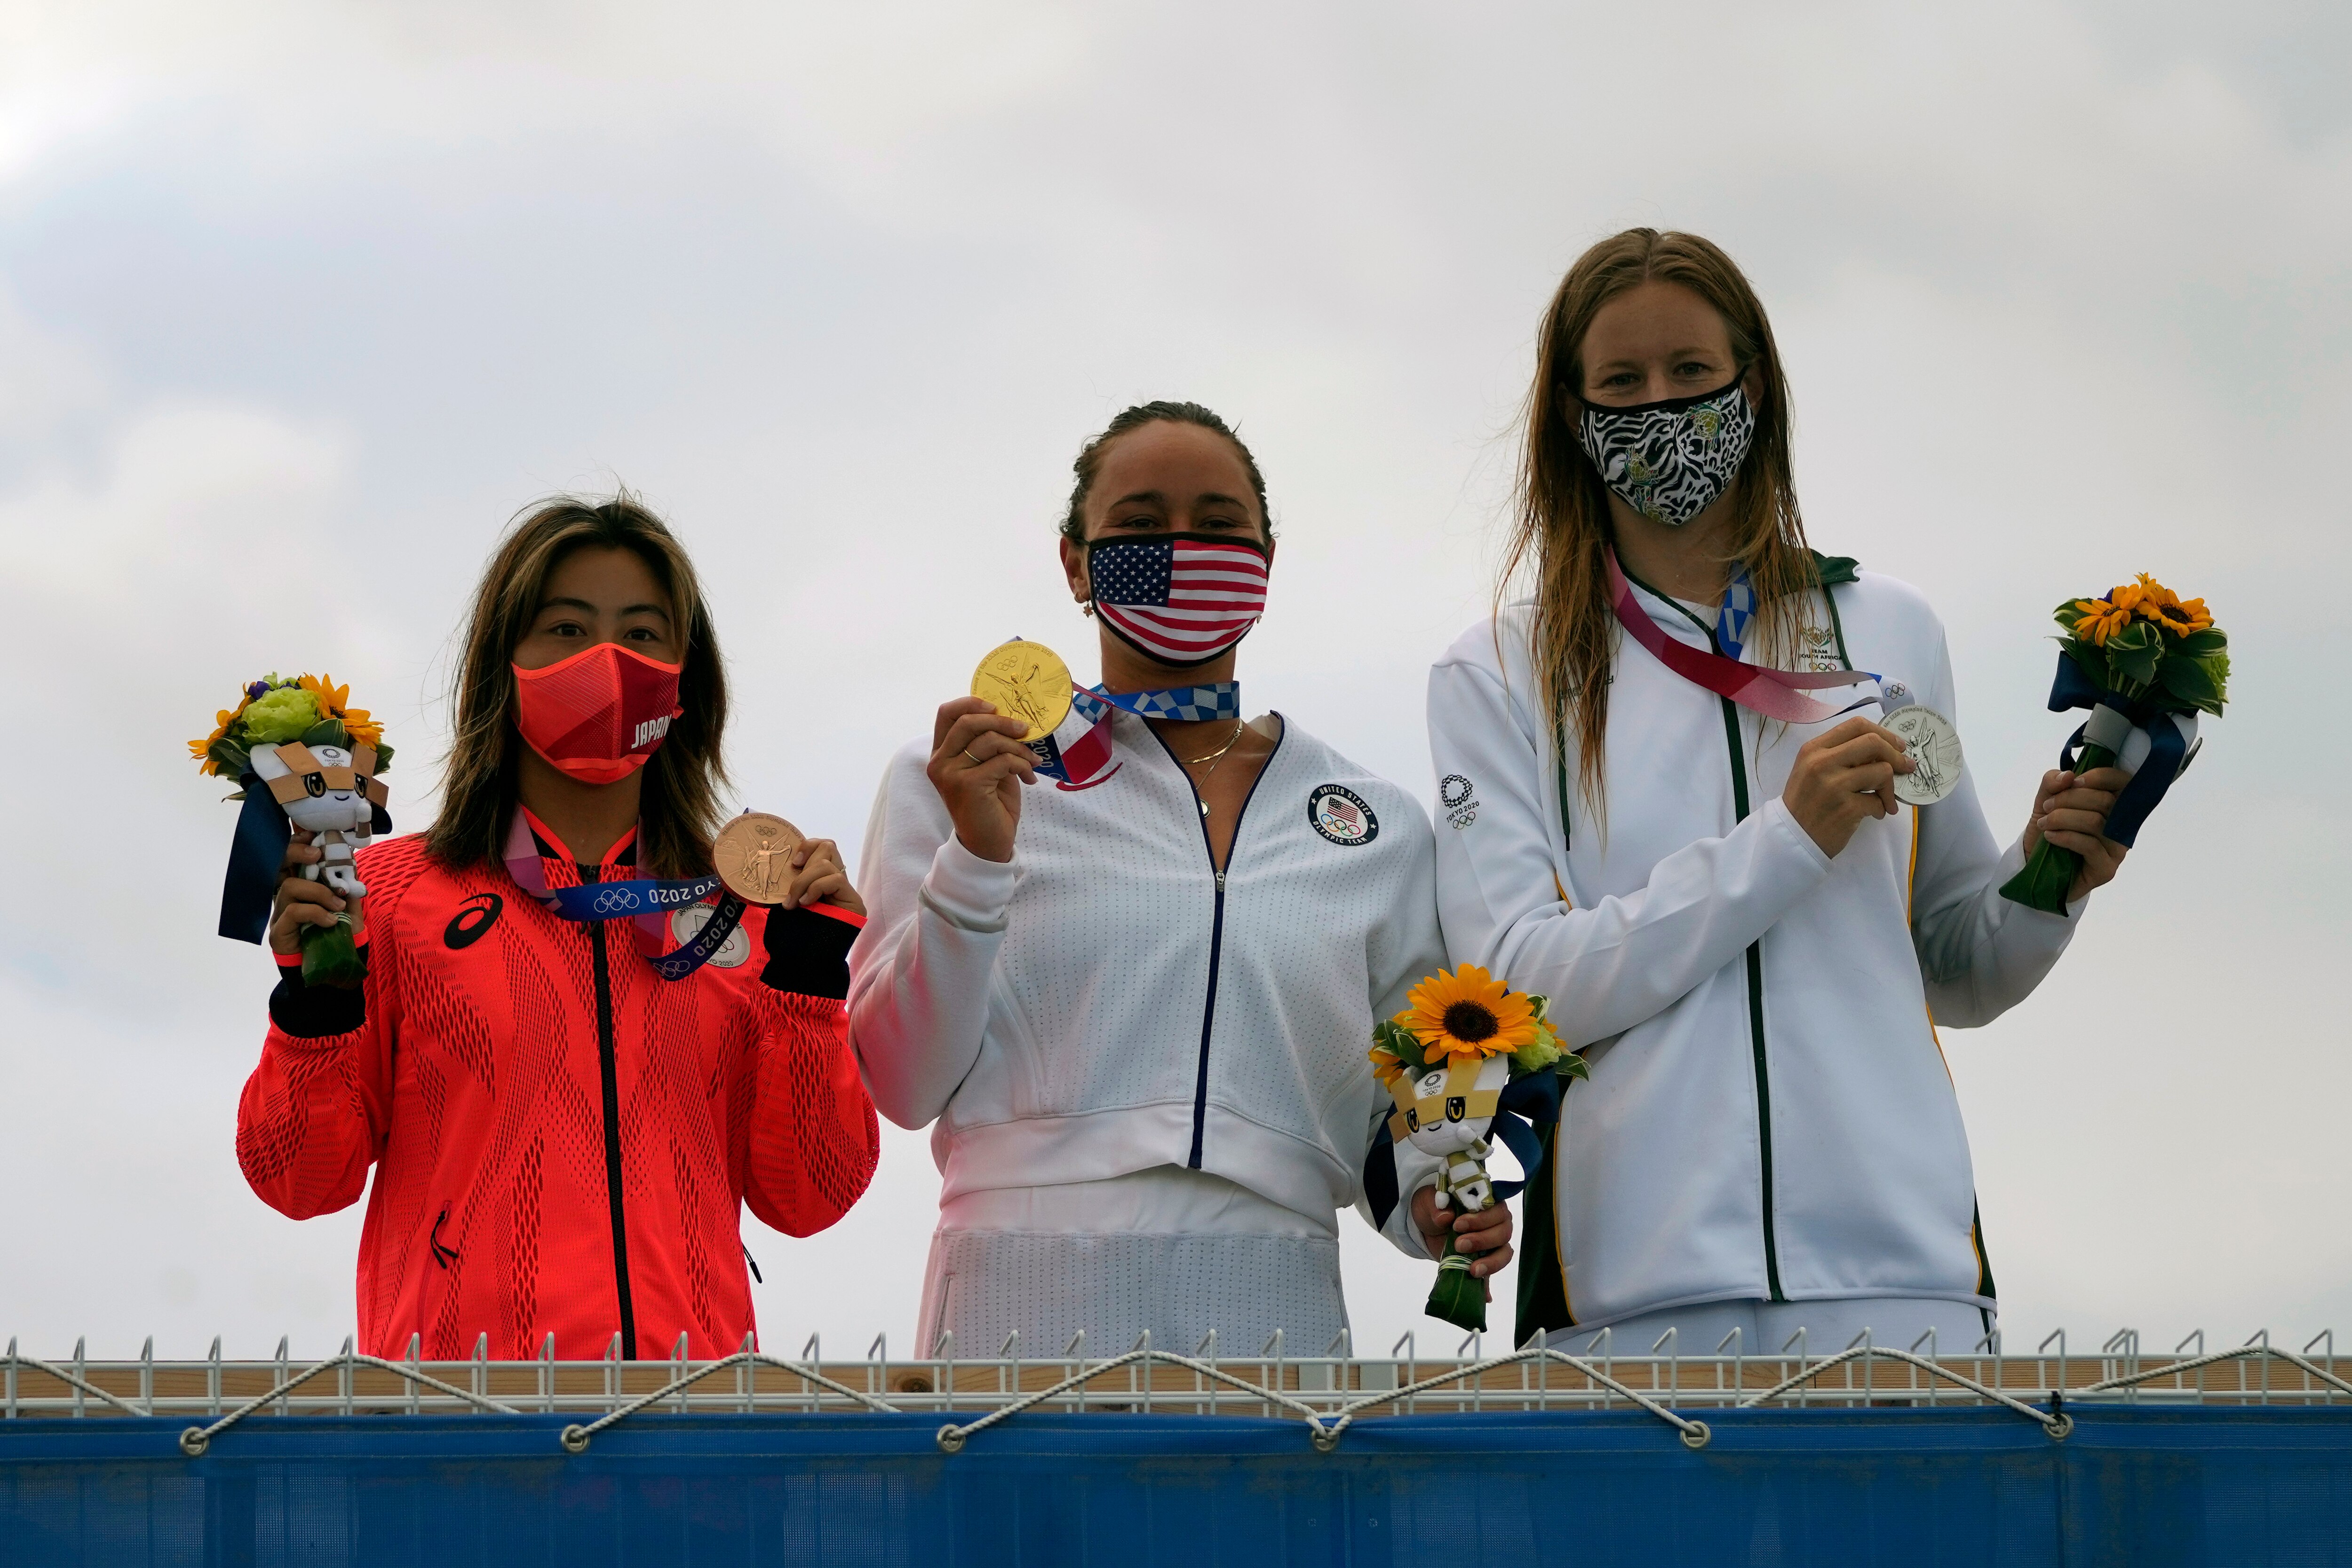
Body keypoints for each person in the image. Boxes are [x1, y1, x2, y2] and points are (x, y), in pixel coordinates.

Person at [1429, 230, 2134, 1355]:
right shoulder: (1500, 671)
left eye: (1691, 375)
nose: (1659, 407)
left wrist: (2049, 879)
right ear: (1570, 414)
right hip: (1633, 1293)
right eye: (1621, 383)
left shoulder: (1890, 628)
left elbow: (1954, 965)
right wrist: (1784, 841)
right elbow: (1519, 984)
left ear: (1751, 386)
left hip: (1905, 1284)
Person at [849, 402, 1502, 1357]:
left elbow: (1396, 1114)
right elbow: (901, 1081)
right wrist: (978, 859)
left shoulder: (1376, 822)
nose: (1183, 549)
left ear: (1268, 561)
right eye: (1143, 526)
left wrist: (1436, 1206)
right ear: (1075, 561)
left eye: (1219, 527)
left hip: (1272, 1302)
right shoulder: (961, 776)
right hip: (1016, 1296)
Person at [238, 496, 879, 1359]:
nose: (607, 661)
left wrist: (806, 983)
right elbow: (299, 1179)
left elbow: (812, 1193)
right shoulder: (387, 896)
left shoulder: (748, 909)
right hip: (461, 1432)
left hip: (689, 1433)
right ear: (504, 668)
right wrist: (317, 1002)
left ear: (686, 684)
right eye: (567, 629)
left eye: (644, 634)